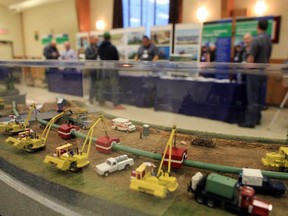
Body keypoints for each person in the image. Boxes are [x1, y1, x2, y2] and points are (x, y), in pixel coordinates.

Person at [239, 20, 272, 128]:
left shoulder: (256, 40)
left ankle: (250, 121)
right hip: (263, 72)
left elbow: (251, 58)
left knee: (252, 97)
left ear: (257, 27)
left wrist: (246, 65)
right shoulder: (268, 40)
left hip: (254, 73)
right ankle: (257, 118)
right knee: (258, 96)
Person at [98, 32, 124, 109]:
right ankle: (116, 104)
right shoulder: (112, 47)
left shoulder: (100, 47)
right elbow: (116, 58)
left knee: (103, 85)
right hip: (112, 69)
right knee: (114, 86)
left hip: (104, 68)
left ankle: (101, 101)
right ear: (110, 38)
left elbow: (100, 56)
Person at [85, 36, 99, 104]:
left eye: (97, 40)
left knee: (97, 84)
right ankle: (91, 98)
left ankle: (97, 98)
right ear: (91, 40)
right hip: (92, 68)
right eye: (95, 40)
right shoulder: (88, 48)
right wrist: (95, 54)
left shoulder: (98, 47)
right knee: (92, 84)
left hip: (98, 68)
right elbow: (87, 57)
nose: (96, 41)